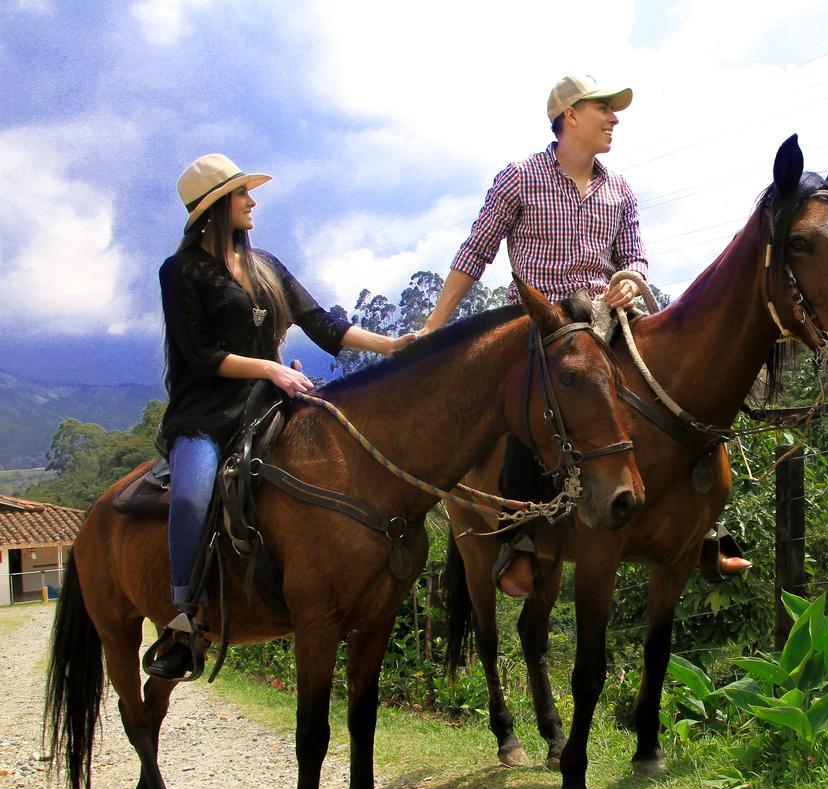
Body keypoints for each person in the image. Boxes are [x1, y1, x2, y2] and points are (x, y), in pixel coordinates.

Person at [417, 74, 749, 599]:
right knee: (532, 403)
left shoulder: (620, 189)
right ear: (570, 114)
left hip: (608, 320)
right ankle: (521, 541)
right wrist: (437, 323)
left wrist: (629, 279)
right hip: (543, 327)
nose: (614, 119)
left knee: (677, 383)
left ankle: (703, 525)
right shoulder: (519, 178)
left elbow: (635, 254)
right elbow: (475, 252)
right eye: (604, 109)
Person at [146, 153, 415, 680]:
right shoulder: (179, 272)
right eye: (242, 193)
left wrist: (392, 345)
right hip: (206, 413)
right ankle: (184, 617)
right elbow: (201, 357)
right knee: (190, 494)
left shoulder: (266, 264)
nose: (252, 200)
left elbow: (323, 325)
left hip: (269, 402)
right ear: (217, 206)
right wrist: (271, 367)